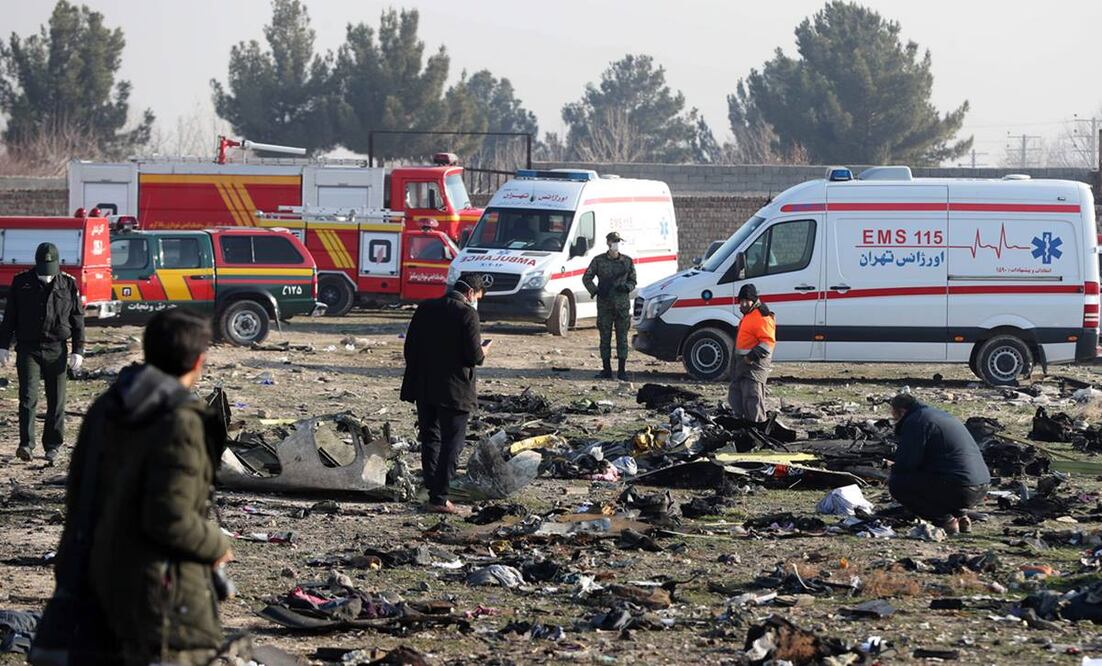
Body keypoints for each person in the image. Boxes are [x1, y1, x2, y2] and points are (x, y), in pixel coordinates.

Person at [42, 308, 234, 664]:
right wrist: (216, 545)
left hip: (97, 577)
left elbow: (79, 492)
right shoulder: (180, 420)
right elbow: (170, 517)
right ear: (198, 361)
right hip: (160, 593)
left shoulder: (109, 405)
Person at [401, 274, 489, 514]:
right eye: (477, 298)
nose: (476, 302)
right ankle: (439, 498)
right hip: (455, 391)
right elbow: (474, 357)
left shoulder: (425, 308)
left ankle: (431, 491)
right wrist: (484, 350)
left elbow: (409, 348)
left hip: (424, 386)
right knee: (453, 442)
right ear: (471, 293)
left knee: (430, 439)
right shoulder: (467, 314)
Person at [0, 242, 85, 464]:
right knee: (28, 397)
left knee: (57, 399)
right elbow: (10, 317)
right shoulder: (21, 283)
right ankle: (26, 444)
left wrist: (79, 350)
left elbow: (78, 320)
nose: (46, 276)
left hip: (57, 348)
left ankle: (53, 446)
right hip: (28, 348)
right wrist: (2, 345)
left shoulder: (68, 284)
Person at [887, 393, 992, 535]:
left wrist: (892, 467)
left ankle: (946, 520)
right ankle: (961, 515)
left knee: (898, 483)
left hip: (960, 487)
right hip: (982, 484)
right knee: (936, 475)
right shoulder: (938, 415)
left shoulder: (916, 421)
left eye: (894, 414)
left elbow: (906, 464)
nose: (893, 419)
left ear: (902, 411)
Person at [583, 232, 636, 381]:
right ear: (608, 242)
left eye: (618, 241)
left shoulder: (627, 261)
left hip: (622, 306)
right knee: (605, 337)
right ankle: (606, 370)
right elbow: (587, 277)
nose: (616, 244)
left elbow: (633, 280)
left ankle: (622, 370)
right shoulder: (598, 261)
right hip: (604, 305)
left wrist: (626, 288)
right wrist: (596, 291)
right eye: (614, 241)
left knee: (622, 338)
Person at [728, 283, 775, 422]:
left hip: (754, 365)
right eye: (740, 301)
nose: (742, 304)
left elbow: (767, 342)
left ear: (753, 300)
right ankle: (743, 423)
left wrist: (750, 357)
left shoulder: (761, 316)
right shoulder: (749, 315)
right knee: (735, 394)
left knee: (752, 397)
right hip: (743, 364)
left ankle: (757, 427)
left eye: (745, 301)